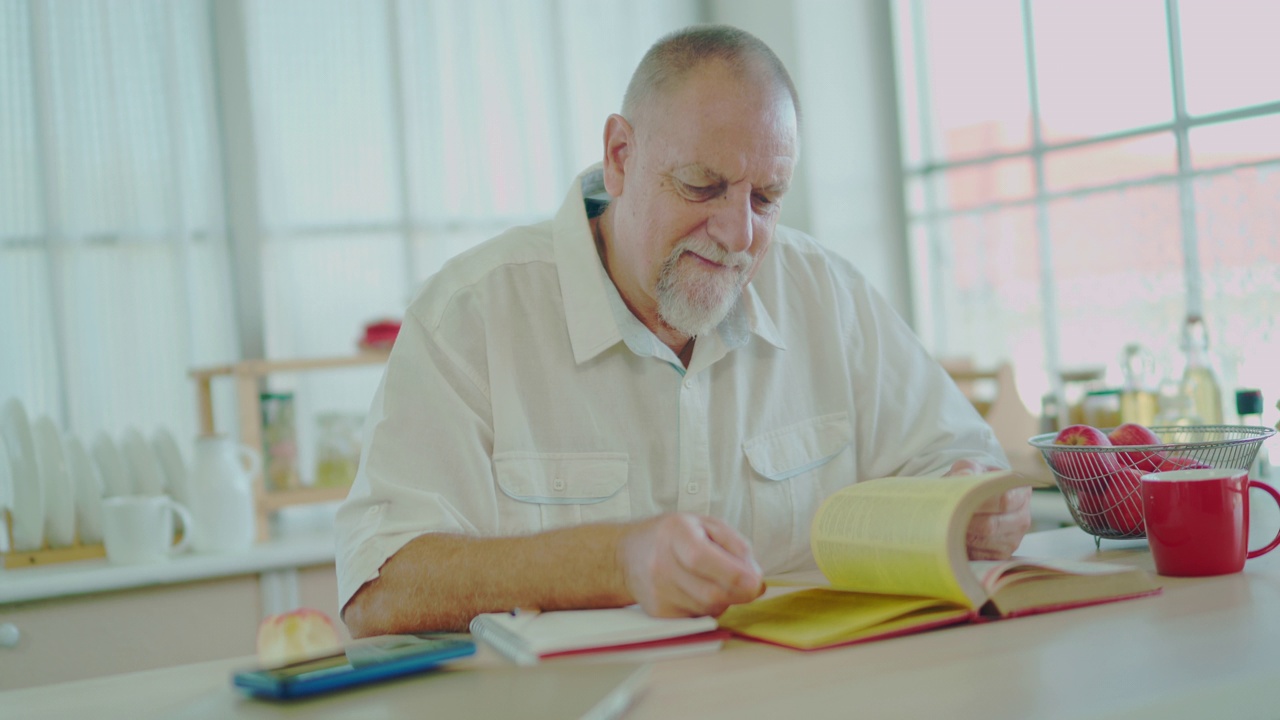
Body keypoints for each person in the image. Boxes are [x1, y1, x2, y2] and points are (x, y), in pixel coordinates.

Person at [336, 24, 1030, 638]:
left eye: (765, 198)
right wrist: (617, 560)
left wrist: (976, 506)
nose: (737, 234)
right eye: (701, 186)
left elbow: (956, 466)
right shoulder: (471, 316)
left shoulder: (828, 295)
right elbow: (381, 587)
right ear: (620, 156)